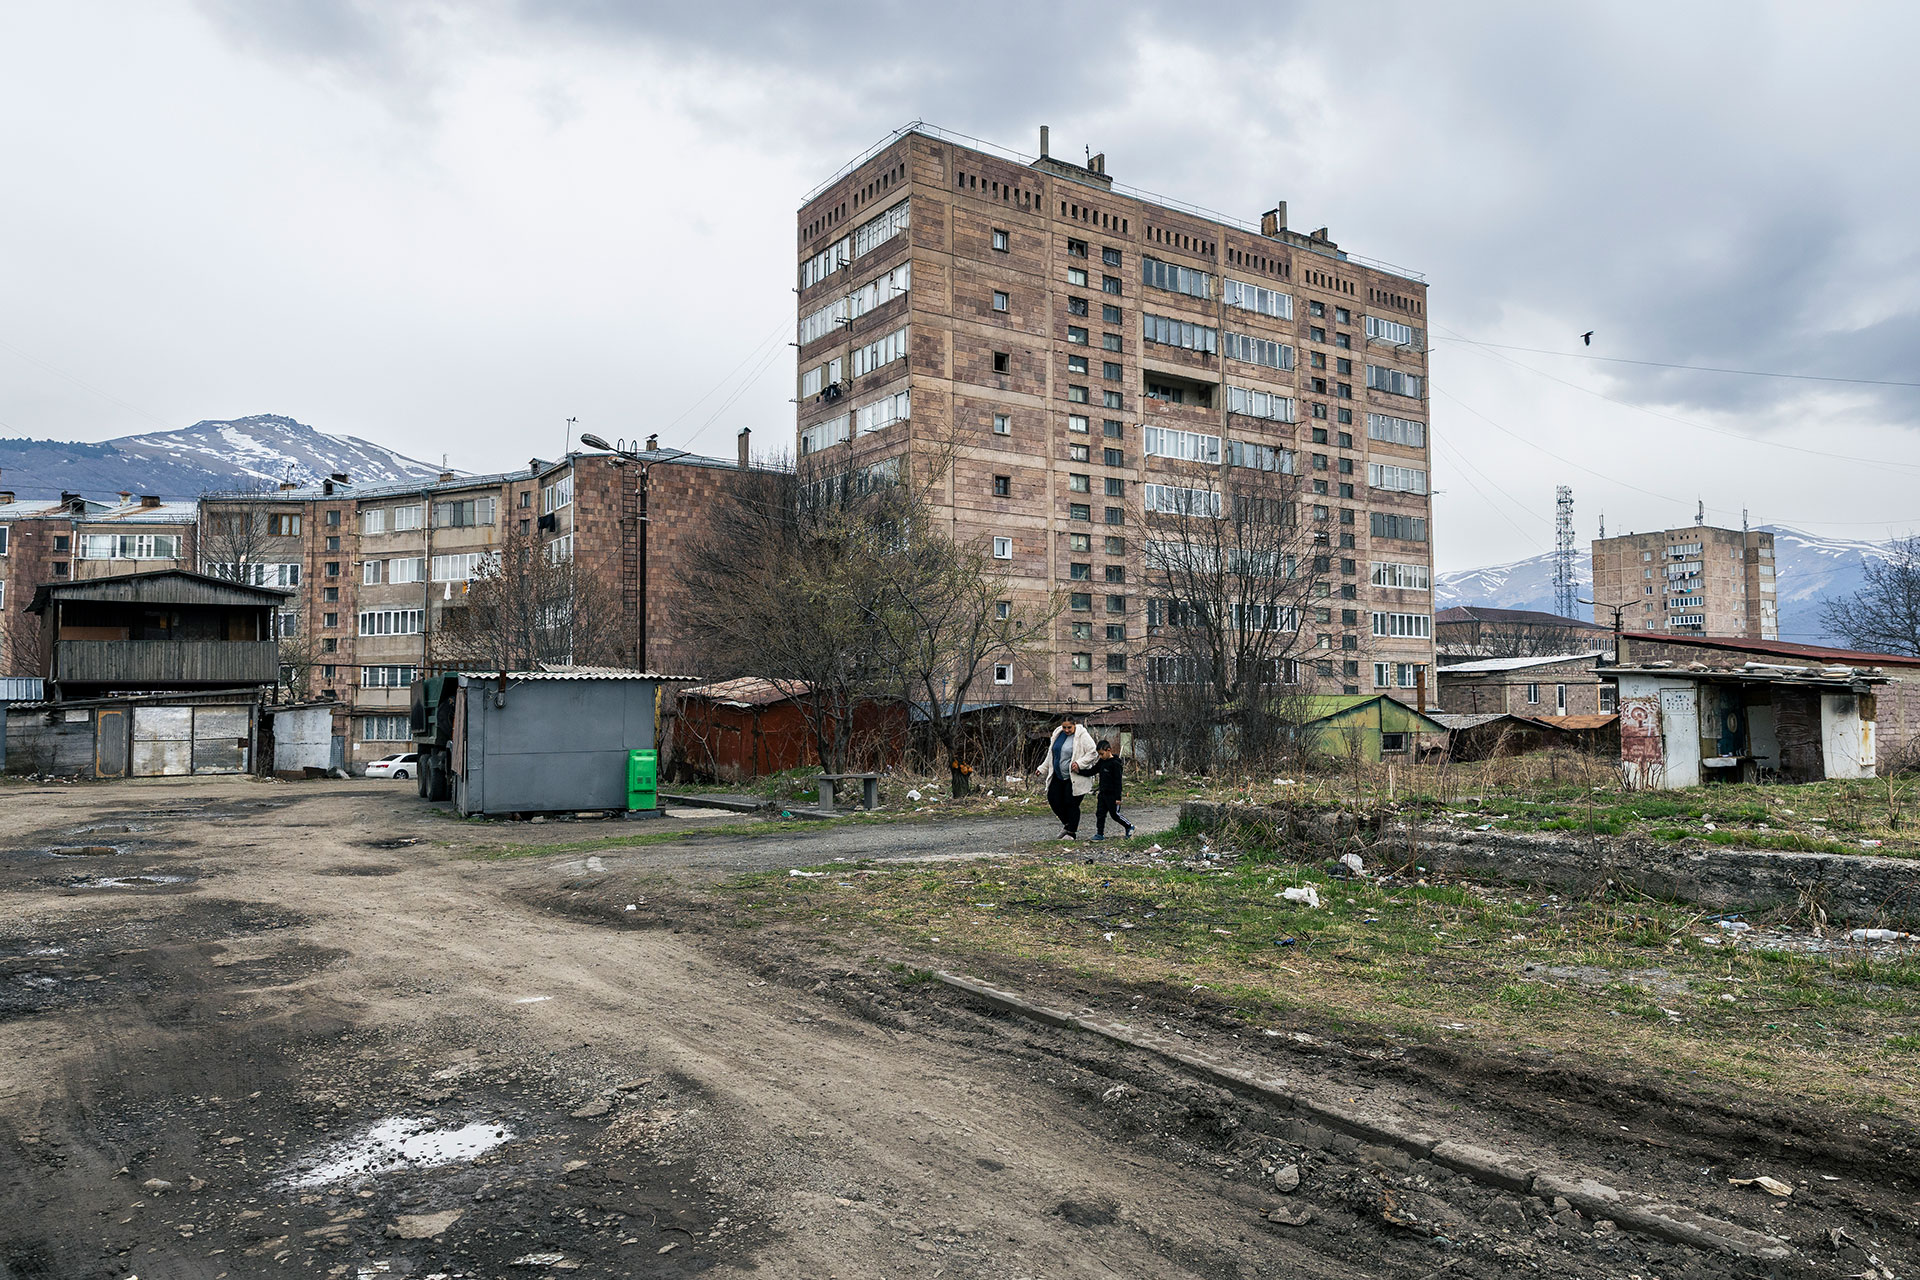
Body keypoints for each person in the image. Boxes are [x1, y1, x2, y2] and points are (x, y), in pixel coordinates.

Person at [1038, 716, 1099, 840]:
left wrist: (1080, 763)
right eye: (1064, 727)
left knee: (1070, 803)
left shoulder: (1082, 735)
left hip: (1074, 776)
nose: (1066, 730)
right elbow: (1052, 754)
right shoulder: (1057, 733)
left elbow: (1093, 752)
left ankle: (1071, 832)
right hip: (1058, 774)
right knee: (1053, 799)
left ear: (1075, 724)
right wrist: (1042, 768)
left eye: (1069, 727)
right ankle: (1067, 824)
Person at [1090, 739, 1133, 841]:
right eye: (1099, 754)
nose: (1100, 756)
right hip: (1103, 793)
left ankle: (1129, 826)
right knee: (1100, 813)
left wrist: (1118, 797)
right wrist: (1079, 771)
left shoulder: (1115, 764)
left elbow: (1118, 782)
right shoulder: (1102, 762)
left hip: (1113, 795)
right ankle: (1100, 834)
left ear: (1108, 750)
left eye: (1102, 754)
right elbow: (1093, 771)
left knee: (1115, 815)